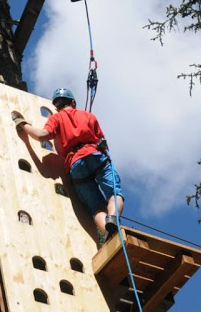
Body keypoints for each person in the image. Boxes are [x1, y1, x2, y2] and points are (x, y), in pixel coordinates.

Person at [12, 87, 124, 238]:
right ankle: (112, 218)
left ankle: (110, 234)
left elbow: (41, 135)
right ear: (73, 102)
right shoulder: (88, 116)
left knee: (96, 206)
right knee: (114, 193)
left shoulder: (56, 119)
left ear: (56, 106)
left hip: (76, 164)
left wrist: (23, 124)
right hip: (95, 156)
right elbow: (102, 142)